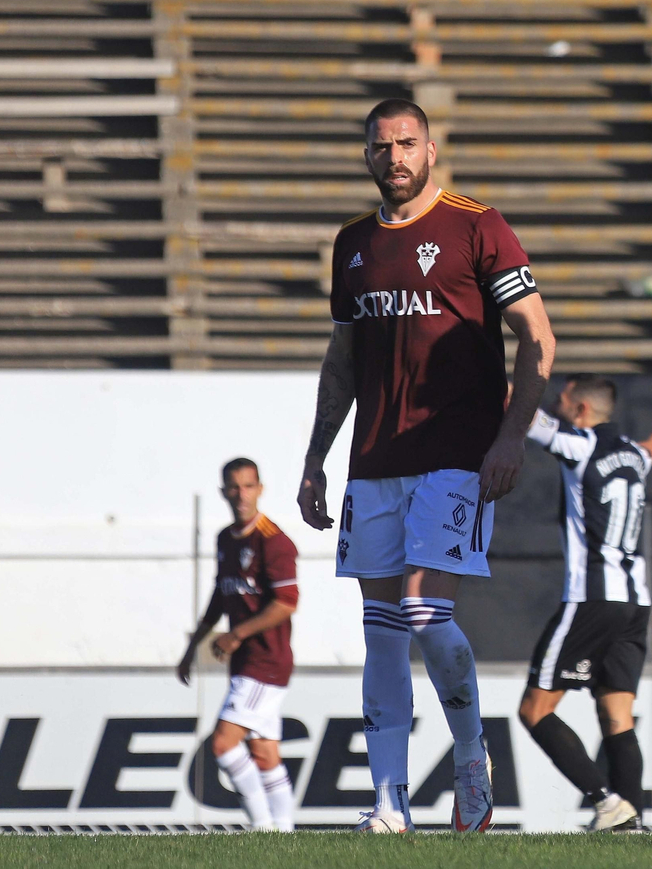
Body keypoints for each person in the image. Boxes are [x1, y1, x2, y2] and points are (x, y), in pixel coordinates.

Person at [296, 98, 556, 833]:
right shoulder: (352, 244)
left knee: (420, 609)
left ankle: (473, 754)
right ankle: (389, 803)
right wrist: (316, 458)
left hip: (456, 452)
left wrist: (511, 436)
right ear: (367, 155)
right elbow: (342, 358)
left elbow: (538, 335)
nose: (395, 158)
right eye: (381, 147)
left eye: (407, 144)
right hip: (374, 456)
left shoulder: (477, 224)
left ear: (431, 150)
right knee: (380, 626)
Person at [517, 375, 652, 833]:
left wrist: (486, 367)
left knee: (535, 710)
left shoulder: (579, 444)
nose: (557, 406)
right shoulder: (632, 453)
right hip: (634, 605)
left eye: (563, 401)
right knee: (616, 716)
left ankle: (607, 803)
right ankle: (632, 826)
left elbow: (525, 416)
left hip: (592, 598)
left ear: (581, 410)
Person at [177, 457, 300, 832]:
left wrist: (237, 634)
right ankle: (285, 832)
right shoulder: (224, 539)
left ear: (260, 489)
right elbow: (220, 595)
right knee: (264, 753)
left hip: (266, 660)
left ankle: (262, 827)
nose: (241, 494)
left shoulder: (274, 541)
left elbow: (287, 603)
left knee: (223, 745)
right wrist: (191, 648)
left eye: (248, 486)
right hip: (246, 660)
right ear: (223, 492)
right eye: (234, 487)